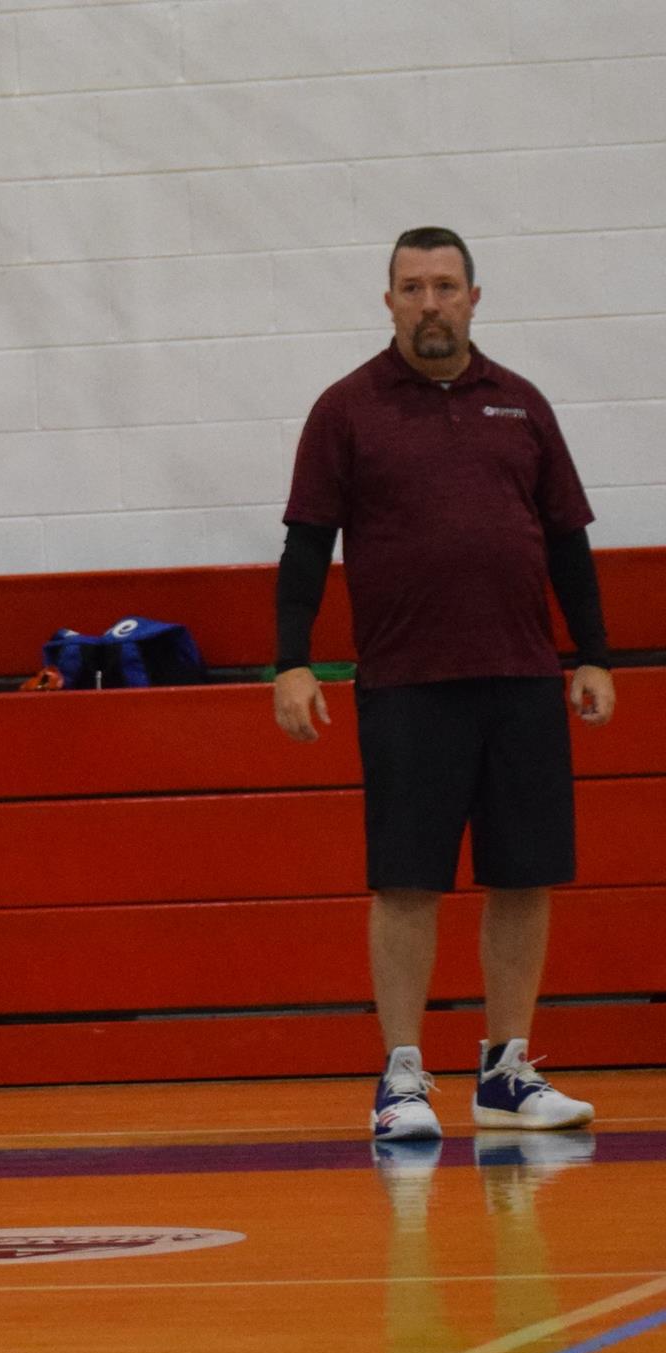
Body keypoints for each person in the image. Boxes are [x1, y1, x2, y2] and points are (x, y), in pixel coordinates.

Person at [273, 225, 615, 1142]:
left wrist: (592, 651)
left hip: (522, 680)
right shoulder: (345, 410)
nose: (430, 302)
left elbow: (568, 539)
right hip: (409, 686)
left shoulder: (523, 405)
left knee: (524, 877)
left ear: (474, 297)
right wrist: (292, 659)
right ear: (387, 300)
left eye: (446, 286)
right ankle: (402, 1079)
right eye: (412, 287)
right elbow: (307, 542)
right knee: (407, 883)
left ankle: (507, 1072)